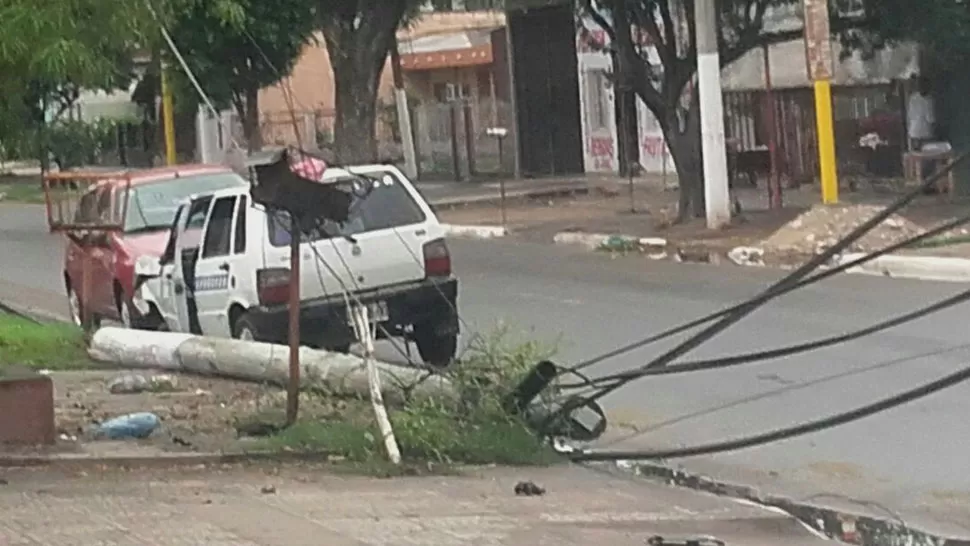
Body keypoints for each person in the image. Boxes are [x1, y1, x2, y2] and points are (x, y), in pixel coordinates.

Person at [907, 75, 935, 151]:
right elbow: (930, 119)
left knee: (915, 156)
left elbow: (910, 115)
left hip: (913, 132)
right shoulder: (929, 100)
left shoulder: (912, 98)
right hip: (925, 134)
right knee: (926, 157)